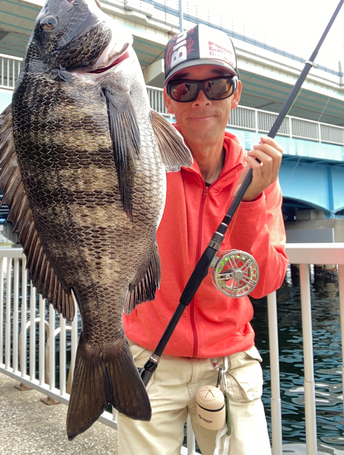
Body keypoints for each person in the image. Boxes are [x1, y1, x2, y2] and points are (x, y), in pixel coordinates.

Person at [117, 23, 288, 455]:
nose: (201, 100)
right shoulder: (139, 162)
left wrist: (250, 200)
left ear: (235, 92)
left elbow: (266, 281)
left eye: (216, 85)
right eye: (183, 87)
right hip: (147, 353)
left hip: (230, 361)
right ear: (167, 97)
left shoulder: (260, 176)